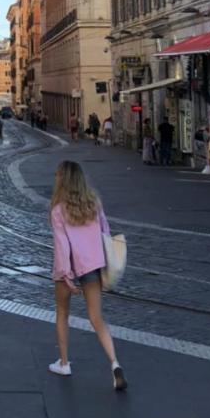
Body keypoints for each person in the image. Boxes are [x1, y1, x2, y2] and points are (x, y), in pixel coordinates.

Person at [48, 160, 126, 391]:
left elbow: (62, 245)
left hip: (69, 268)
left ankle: (64, 363)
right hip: (93, 266)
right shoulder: (94, 203)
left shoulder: (57, 210)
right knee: (96, 318)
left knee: (62, 313)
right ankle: (115, 364)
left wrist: (65, 274)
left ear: (62, 180)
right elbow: (105, 232)